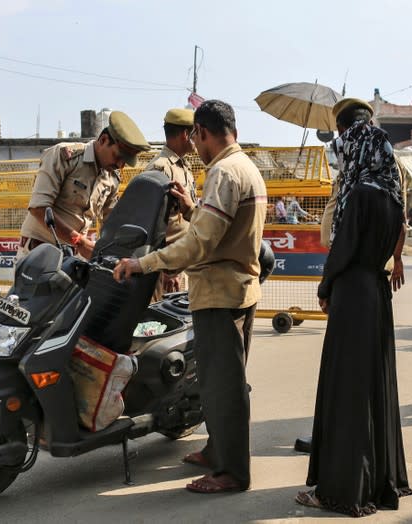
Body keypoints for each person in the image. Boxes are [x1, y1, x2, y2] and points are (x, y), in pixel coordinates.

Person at [113, 100, 267, 494]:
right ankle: (219, 451)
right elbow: (221, 226)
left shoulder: (223, 172)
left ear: (200, 132)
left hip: (219, 294)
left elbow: (198, 244)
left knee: (223, 386)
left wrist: (144, 264)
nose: (195, 146)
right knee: (220, 381)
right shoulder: (246, 167)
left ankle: (232, 471)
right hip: (238, 289)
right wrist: (193, 207)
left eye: (196, 137)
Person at [296, 97, 412, 516]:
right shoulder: (390, 191)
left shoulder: (358, 191)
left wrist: (325, 285)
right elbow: (392, 239)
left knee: (347, 391)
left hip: (352, 293)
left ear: (351, 140)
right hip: (376, 293)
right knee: (371, 388)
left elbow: (342, 249)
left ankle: (341, 491)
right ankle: (377, 482)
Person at [17, 111, 150, 259]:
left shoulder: (111, 179)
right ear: (103, 140)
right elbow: (38, 208)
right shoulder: (65, 157)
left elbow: (112, 222)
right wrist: (79, 242)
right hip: (39, 255)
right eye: (118, 156)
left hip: (73, 258)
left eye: (125, 162)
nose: (120, 165)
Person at [144, 108, 197, 300]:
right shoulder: (161, 168)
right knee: (157, 324)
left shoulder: (182, 166)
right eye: (195, 133)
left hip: (178, 264)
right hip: (163, 270)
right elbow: (150, 224)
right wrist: (166, 270)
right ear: (185, 134)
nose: (197, 138)